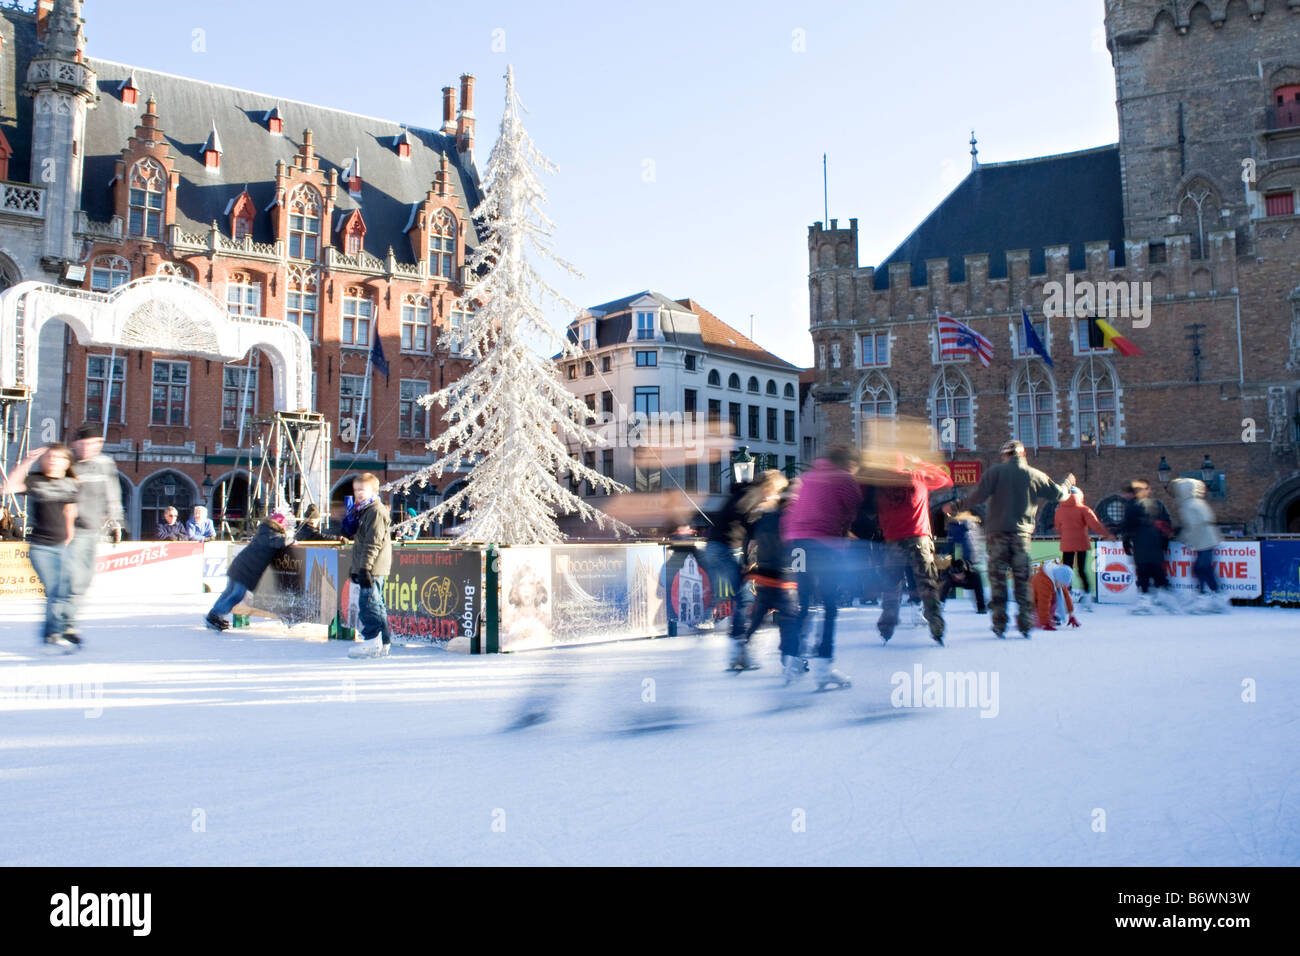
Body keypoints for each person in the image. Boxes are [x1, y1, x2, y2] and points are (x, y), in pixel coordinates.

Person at [944, 440, 1074, 639]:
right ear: (1023, 454)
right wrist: (1068, 482)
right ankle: (1024, 624)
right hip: (1021, 537)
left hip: (996, 536)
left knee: (998, 582)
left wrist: (955, 507)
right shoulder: (1035, 475)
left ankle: (999, 624)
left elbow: (976, 497)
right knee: (1022, 582)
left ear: (1005, 455)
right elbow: (1061, 494)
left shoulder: (995, 473)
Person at [782, 446, 862, 689]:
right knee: (829, 604)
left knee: (803, 603)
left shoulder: (807, 477)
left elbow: (792, 511)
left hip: (796, 544)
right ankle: (824, 667)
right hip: (824, 546)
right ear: (849, 463)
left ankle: (792, 661)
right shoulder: (845, 478)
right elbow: (851, 512)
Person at [2, 446, 80, 651]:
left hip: (62, 545)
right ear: (44, 461)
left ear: (67, 462)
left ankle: (56, 632)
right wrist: (26, 462)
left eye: (59, 457)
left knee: (63, 591)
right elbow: (8, 487)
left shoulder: (71, 484)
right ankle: (53, 634)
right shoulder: (36, 481)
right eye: (50, 457)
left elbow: (70, 512)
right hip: (40, 546)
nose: (54, 461)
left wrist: (69, 537)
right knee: (54, 590)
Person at [873, 455, 952, 645]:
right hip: (919, 539)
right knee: (928, 586)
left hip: (892, 542)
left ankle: (886, 629)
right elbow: (944, 478)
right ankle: (937, 629)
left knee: (891, 587)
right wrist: (918, 461)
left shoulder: (879, 485)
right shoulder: (917, 477)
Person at [735, 470, 800, 676]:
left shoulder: (761, 519)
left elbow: (748, 541)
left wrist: (747, 563)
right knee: (789, 620)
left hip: (765, 575)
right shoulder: (788, 519)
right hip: (785, 577)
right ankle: (789, 658)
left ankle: (744, 649)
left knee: (757, 617)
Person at [65, 423, 124, 645]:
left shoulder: (105, 464)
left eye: (96, 443)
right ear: (75, 443)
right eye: (86, 443)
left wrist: (116, 522)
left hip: (92, 530)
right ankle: (64, 624)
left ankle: (65, 621)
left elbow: (113, 495)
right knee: (74, 579)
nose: (91, 448)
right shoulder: (66, 462)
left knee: (84, 580)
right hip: (69, 531)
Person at [205, 512, 291, 631]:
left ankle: (214, 614)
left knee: (228, 592)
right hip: (247, 569)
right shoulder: (272, 535)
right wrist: (291, 539)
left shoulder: (264, 531)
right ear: (280, 525)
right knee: (237, 595)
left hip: (239, 564)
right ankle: (215, 615)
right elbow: (284, 542)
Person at [698, 472, 755, 641]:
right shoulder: (743, 500)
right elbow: (748, 526)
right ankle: (738, 628)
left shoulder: (730, 499)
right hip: (722, 549)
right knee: (741, 589)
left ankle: (706, 619)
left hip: (711, 547)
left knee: (716, 588)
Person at [347, 472, 394, 658]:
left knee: (369, 604)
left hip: (373, 567)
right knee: (375, 603)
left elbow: (373, 543)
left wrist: (365, 568)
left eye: (362, 490)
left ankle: (372, 639)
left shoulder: (375, 511)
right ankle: (382, 641)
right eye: (356, 490)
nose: (358, 493)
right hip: (370, 566)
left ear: (373, 491)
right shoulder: (366, 511)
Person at [1170, 477, 1228, 614]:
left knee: (1201, 567)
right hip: (1205, 540)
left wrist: (1184, 537)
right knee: (1202, 568)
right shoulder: (1195, 503)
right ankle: (1210, 595)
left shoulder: (1191, 504)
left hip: (1205, 540)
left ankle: (1211, 596)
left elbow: (1195, 524)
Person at [1120, 478, 1178, 614]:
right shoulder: (1158, 504)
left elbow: (1127, 528)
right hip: (1156, 545)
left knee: (1143, 572)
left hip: (1141, 545)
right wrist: (1164, 543)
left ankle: (1145, 602)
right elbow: (1167, 523)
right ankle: (1168, 600)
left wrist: (1126, 544)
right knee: (1158, 572)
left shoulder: (1132, 507)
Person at [1053, 487, 1114, 605]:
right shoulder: (1084, 509)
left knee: (1066, 570)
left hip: (1067, 544)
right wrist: (1107, 534)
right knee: (1082, 570)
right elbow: (1095, 525)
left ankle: (1066, 594)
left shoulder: (1059, 511)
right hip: (1081, 543)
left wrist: (1065, 535)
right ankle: (1087, 595)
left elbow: (1058, 528)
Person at [942, 510, 987, 613]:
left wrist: (947, 552)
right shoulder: (975, 524)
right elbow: (979, 541)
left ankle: (940, 603)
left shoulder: (956, 525)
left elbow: (951, 542)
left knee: (951, 580)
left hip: (964, 560)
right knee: (976, 582)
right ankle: (981, 606)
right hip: (976, 558)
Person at [1031, 561, 1080, 631]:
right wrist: (1045, 624)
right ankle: (1028, 617)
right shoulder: (1044, 582)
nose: (1063, 586)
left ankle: (1050, 616)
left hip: (1043, 601)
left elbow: (1066, 596)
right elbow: (1043, 603)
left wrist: (1071, 615)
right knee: (1038, 622)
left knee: (1059, 595)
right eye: (1062, 584)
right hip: (1033, 602)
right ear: (1057, 579)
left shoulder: (1058, 577)